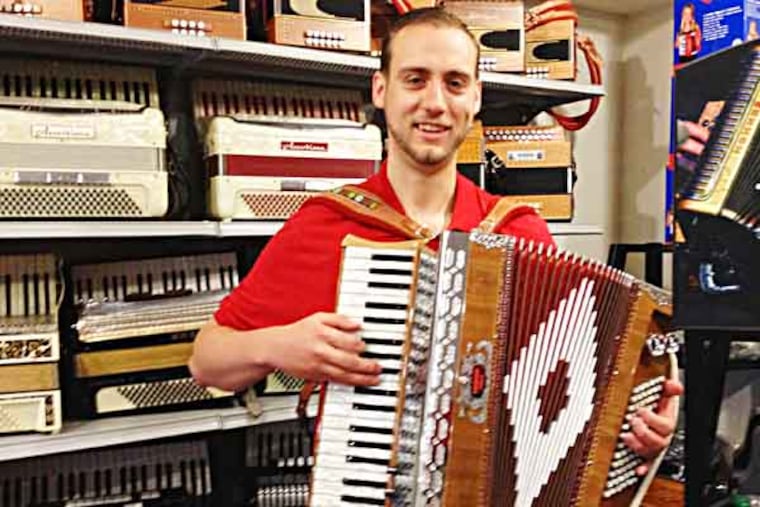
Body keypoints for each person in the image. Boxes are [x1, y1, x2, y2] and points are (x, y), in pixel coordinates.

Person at [190, 7, 682, 476]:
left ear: (476, 97)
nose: (435, 103)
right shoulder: (325, 224)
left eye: (455, 83)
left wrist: (637, 424)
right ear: (381, 90)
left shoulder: (520, 232)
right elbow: (207, 360)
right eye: (415, 79)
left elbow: (569, 390)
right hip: (367, 490)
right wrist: (278, 345)